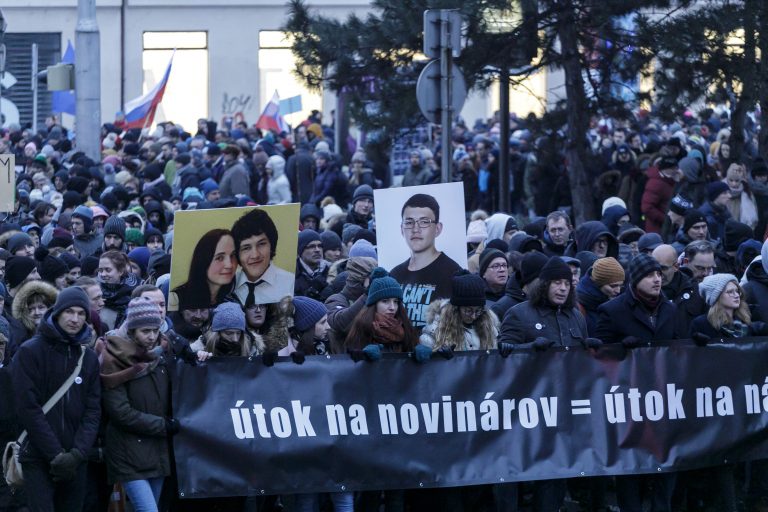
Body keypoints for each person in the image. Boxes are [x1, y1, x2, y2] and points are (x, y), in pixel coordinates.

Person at [12, 287, 100, 511]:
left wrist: (77, 454)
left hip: (76, 459)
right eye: (69, 311)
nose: (75, 319)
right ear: (57, 312)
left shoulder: (88, 358)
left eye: (81, 313)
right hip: (37, 456)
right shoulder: (30, 352)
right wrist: (56, 454)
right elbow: (27, 408)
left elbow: (92, 411)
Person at [99, 297, 179, 512]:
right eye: (145, 331)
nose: (152, 336)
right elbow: (120, 412)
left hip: (156, 449)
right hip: (127, 451)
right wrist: (163, 425)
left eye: (155, 330)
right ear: (132, 330)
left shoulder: (162, 353)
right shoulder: (113, 358)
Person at [389, 193, 462, 329]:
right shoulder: (394, 275)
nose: (415, 229)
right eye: (409, 222)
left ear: (438, 229)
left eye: (424, 222)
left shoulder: (453, 274)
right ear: (401, 229)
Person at [420, 270, 499, 351]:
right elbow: (425, 348)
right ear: (456, 308)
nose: (473, 316)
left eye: (478, 311)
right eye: (468, 311)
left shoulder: (488, 323)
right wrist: (436, 352)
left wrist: (500, 350)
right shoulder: (438, 326)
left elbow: (493, 351)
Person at [345, 268, 418, 355]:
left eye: (395, 301)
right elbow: (350, 358)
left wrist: (417, 352)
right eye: (385, 301)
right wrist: (363, 356)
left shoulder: (406, 327)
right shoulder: (362, 328)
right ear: (374, 304)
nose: (392, 307)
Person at [230, 208, 294, 306]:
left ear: (271, 245)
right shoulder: (227, 285)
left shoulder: (290, 283)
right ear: (237, 254)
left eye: (261, 244)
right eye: (246, 248)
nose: (255, 255)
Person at [171, 229, 237, 310]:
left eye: (233, 255)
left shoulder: (233, 302)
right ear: (203, 260)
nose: (229, 265)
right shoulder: (176, 299)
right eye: (220, 258)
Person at [576, 257, 625, 336]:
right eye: (613, 286)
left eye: (620, 286)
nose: (618, 291)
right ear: (598, 284)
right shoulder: (578, 305)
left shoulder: (613, 302)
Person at [98, 250, 140, 331]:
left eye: (108, 270)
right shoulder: (96, 291)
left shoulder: (137, 291)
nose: (103, 274)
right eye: (100, 270)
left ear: (120, 271)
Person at [294, 230, 330, 300]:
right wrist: (313, 291)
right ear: (300, 250)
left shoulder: (331, 271)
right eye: (311, 246)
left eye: (320, 246)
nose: (317, 250)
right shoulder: (292, 274)